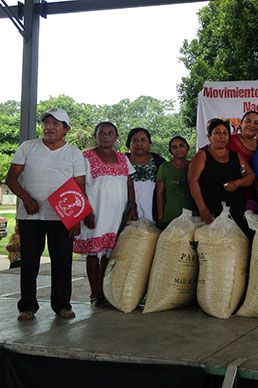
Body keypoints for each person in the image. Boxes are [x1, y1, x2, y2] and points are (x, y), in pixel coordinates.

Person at [6, 108, 86, 321]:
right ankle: (27, 306)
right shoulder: (28, 147)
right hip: (30, 216)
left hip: (62, 217)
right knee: (29, 262)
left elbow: (80, 188)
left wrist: (76, 218)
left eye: (56, 124)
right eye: (46, 123)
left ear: (66, 129)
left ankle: (62, 305)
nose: (49, 127)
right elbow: (11, 178)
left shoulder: (74, 153)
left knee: (62, 262)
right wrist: (26, 198)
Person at [74, 122, 137, 307]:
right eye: (102, 133)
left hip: (118, 213)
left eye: (110, 133)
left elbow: (129, 183)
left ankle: (106, 291)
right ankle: (95, 293)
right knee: (94, 253)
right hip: (95, 212)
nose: (106, 136)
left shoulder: (122, 158)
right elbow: (79, 185)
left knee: (109, 254)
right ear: (96, 136)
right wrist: (85, 211)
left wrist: (132, 206)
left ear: (116, 137)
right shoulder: (86, 157)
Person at [188, 119, 256, 236]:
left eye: (225, 133)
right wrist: (202, 208)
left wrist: (238, 183)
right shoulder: (202, 156)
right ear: (209, 136)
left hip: (235, 212)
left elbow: (249, 176)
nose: (222, 136)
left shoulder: (236, 157)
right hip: (210, 213)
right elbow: (192, 181)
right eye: (217, 133)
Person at [156, 136, 196, 230]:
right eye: (174, 147)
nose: (178, 149)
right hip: (171, 215)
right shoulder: (165, 167)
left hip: (192, 216)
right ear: (170, 151)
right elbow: (159, 194)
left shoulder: (194, 166)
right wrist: (160, 216)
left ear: (187, 148)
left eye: (181, 145)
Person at [125, 128, 165, 221]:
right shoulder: (121, 161)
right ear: (128, 144)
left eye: (143, 140)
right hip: (127, 213)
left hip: (153, 213)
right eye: (135, 140)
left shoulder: (158, 161)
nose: (139, 144)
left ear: (149, 143)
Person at [229, 111, 258, 211]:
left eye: (256, 123)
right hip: (231, 194)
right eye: (248, 121)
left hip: (255, 196)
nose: (252, 125)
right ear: (241, 123)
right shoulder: (228, 140)